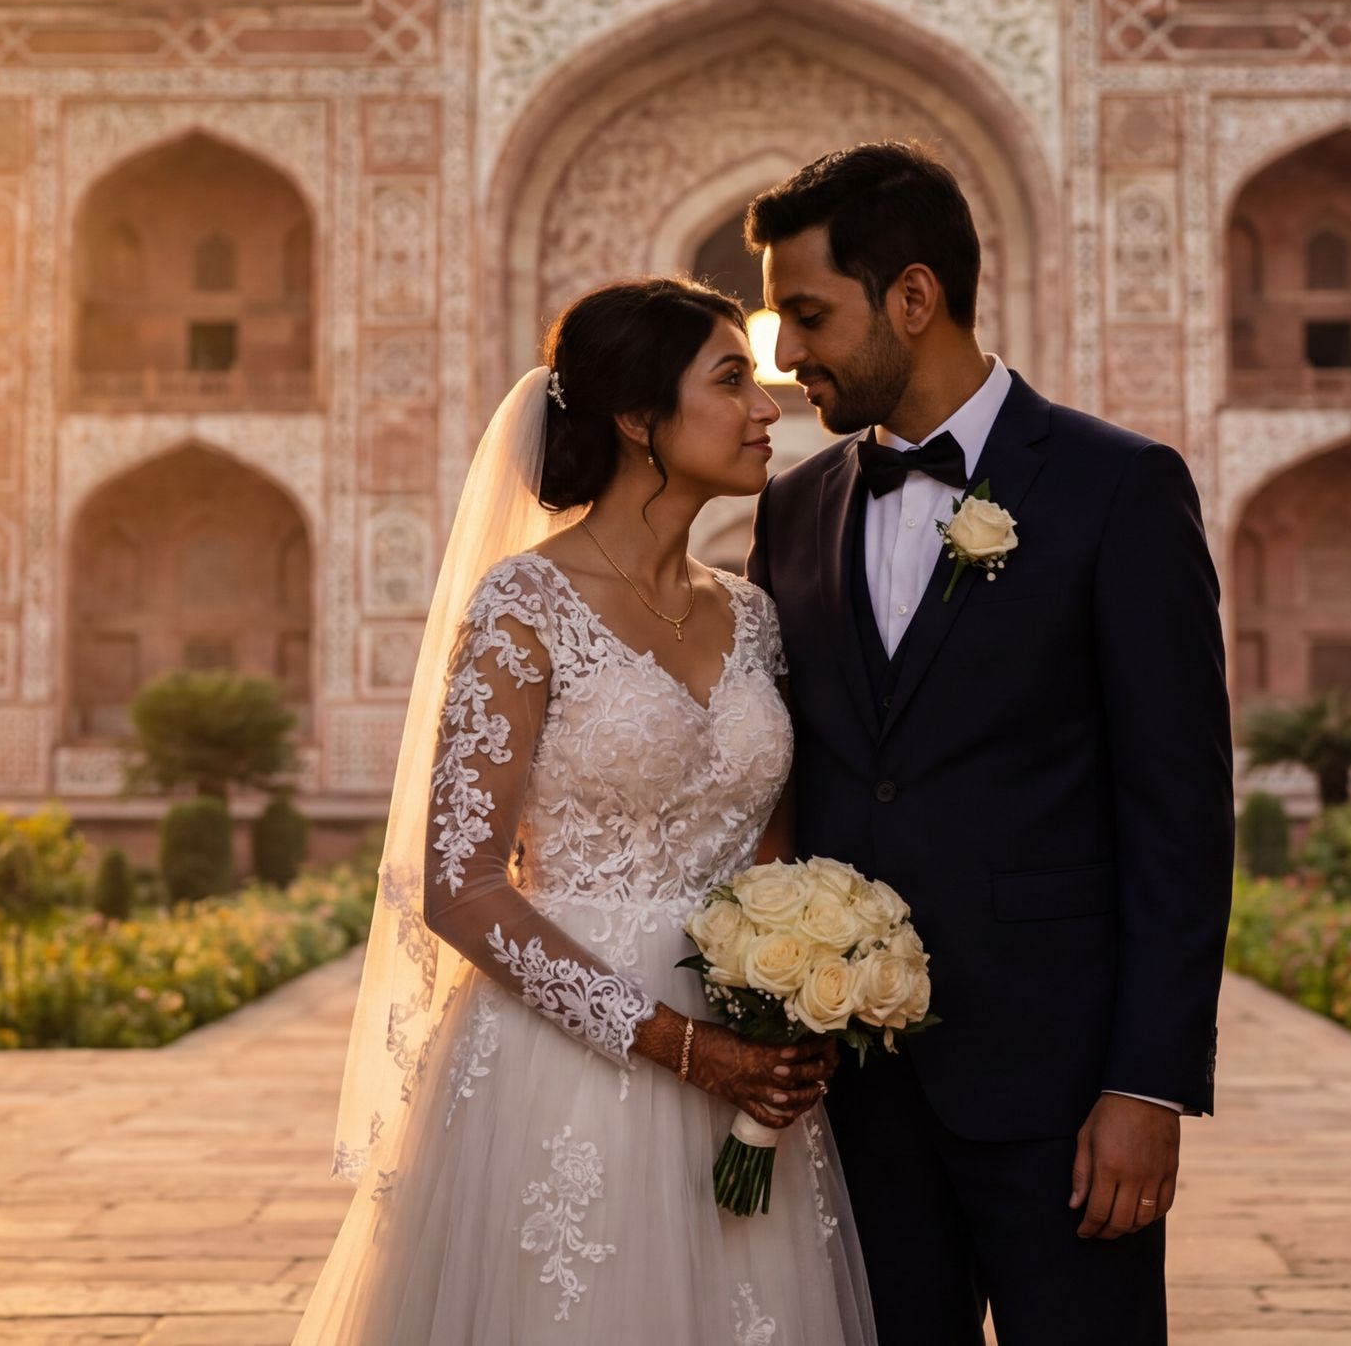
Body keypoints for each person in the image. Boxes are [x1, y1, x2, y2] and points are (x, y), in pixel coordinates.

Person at [298, 278, 877, 1345]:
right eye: (733, 378)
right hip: (569, 1060)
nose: (768, 405)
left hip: (741, 1053)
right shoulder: (526, 604)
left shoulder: (750, 615)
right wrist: (679, 1046)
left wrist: (793, 996)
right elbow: (463, 891)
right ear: (635, 417)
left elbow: (774, 850)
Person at [743, 142, 1234, 1345]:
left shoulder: (1116, 487)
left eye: (808, 316)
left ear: (913, 297)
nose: (785, 357)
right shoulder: (796, 510)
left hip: (1060, 1096)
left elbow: (1178, 811)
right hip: (855, 1102)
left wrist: (1147, 1085)